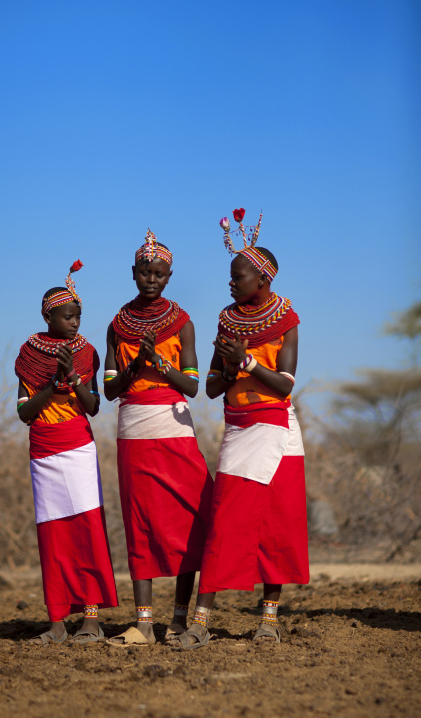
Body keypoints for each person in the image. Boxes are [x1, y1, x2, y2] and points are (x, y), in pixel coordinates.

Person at [170, 209, 309, 650]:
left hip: (277, 427)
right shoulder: (227, 321)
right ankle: (202, 620)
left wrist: (248, 362)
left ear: (262, 280)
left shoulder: (286, 318)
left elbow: (286, 385)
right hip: (239, 428)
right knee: (225, 520)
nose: (231, 283)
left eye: (238, 276)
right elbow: (211, 388)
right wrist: (230, 368)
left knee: (277, 523)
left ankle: (268, 618)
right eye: (231, 276)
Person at [103, 229, 213, 646]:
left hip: (173, 427)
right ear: (133, 273)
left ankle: (180, 618)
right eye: (145, 272)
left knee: (190, 516)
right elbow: (111, 389)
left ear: (169, 276)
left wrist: (157, 363)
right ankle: (144, 623)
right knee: (140, 520)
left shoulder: (182, 323)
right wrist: (134, 370)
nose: (152, 279)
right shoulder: (118, 324)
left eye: (160, 273)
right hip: (133, 429)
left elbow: (191, 385)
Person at [15, 260, 118, 645]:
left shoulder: (86, 352)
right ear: (48, 315)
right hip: (43, 448)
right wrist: (52, 384)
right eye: (67, 316)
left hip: (77, 446)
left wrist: (72, 378)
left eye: (78, 316)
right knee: (52, 535)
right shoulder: (29, 354)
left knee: (87, 530)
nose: (75, 323)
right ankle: (57, 621)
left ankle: (92, 617)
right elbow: (25, 411)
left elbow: (92, 406)